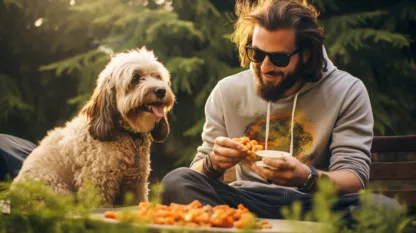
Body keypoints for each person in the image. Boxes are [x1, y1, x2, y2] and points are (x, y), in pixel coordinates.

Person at [161, 0, 402, 225]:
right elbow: (197, 171)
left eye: (279, 58)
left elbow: (353, 178)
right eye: (257, 54)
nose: (265, 67)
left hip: (314, 204)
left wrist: (306, 177)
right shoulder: (227, 91)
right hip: (244, 200)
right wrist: (213, 163)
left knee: (385, 209)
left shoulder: (347, 90)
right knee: (177, 181)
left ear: (306, 54)